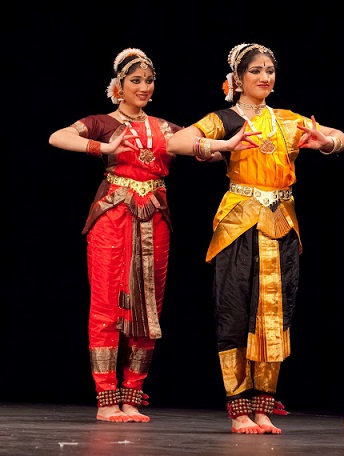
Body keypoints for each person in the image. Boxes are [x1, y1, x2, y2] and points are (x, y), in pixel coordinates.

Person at [167, 42, 344, 434]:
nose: (265, 77)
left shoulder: (286, 120)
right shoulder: (227, 119)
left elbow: (342, 137)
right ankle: (239, 409)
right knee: (235, 310)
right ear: (237, 78)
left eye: (270, 70)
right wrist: (224, 145)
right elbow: (176, 143)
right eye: (255, 71)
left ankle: (262, 407)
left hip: (281, 221)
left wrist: (327, 143)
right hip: (240, 222)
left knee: (274, 315)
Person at [48, 48, 190, 423]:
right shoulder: (103, 123)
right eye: (135, 81)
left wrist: (223, 146)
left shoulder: (165, 128)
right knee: (108, 305)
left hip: (155, 220)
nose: (144, 87)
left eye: (148, 81)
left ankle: (132, 395)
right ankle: (106, 398)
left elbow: (201, 144)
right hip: (113, 218)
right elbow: (57, 137)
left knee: (148, 309)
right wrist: (104, 147)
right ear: (118, 86)